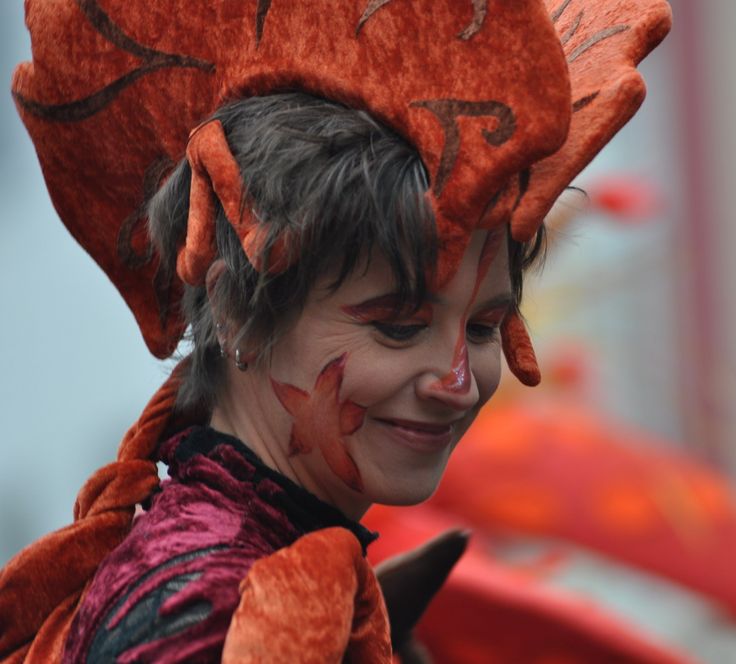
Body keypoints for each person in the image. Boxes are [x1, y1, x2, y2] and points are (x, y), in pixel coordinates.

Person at [0, 1, 671, 661]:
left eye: (483, 326)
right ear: (237, 309)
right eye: (399, 326)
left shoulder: (250, 566)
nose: (457, 384)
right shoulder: (204, 611)